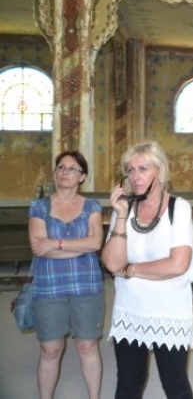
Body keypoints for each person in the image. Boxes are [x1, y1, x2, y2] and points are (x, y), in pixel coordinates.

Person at [101, 141, 193, 399]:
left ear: (160, 171)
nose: (135, 176)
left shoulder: (179, 207)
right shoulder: (124, 208)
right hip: (130, 309)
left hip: (169, 311)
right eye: (130, 170)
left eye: (143, 169)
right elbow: (112, 263)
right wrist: (121, 215)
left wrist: (131, 269)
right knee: (128, 383)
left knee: (175, 384)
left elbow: (178, 264)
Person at [28, 151, 104, 399]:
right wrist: (80, 246)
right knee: (50, 349)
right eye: (61, 167)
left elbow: (95, 244)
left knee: (87, 346)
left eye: (72, 169)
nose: (65, 172)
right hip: (49, 286)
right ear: (55, 172)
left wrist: (56, 243)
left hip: (86, 286)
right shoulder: (39, 207)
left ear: (82, 176)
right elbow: (39, 248)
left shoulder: (92, 206)